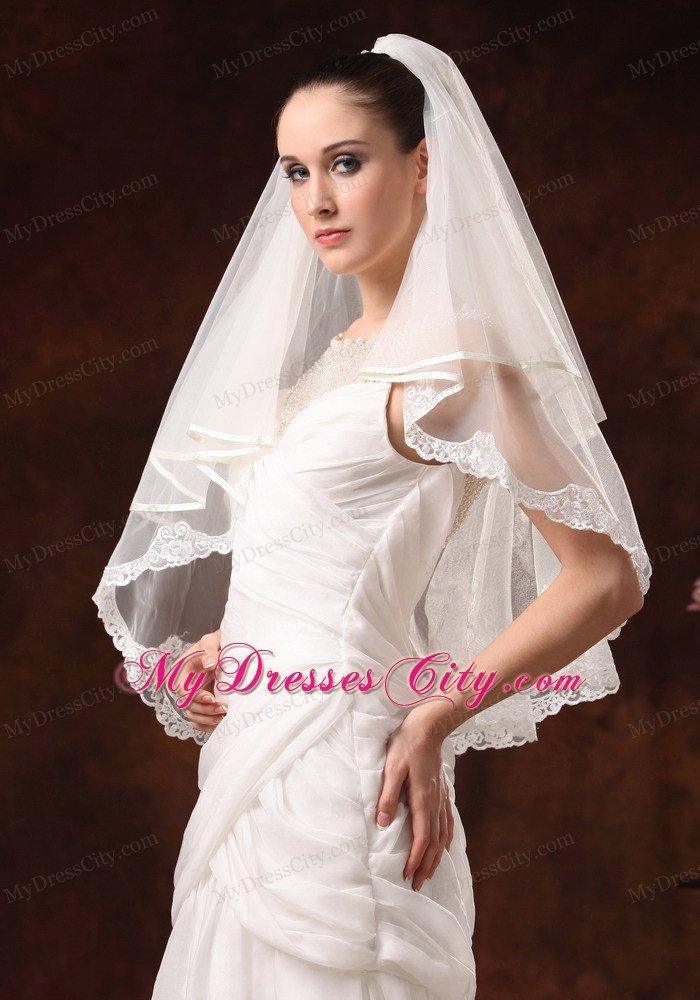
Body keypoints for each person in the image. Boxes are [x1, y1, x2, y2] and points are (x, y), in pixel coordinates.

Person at [93, 34, 651, 1000]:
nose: (316, 200)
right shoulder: (339, 356)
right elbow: (319, 554)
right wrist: (235, 640)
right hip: (255, 765)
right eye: (296, 171)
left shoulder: (457, 364)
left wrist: (438, 714)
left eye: (346, 163)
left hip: (351, 772)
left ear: (423, 164)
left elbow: (606, 577)